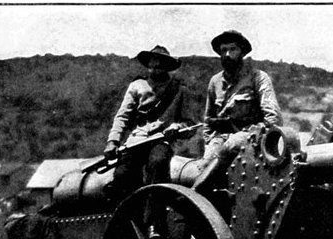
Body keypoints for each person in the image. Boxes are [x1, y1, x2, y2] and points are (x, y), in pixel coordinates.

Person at [104, 45, 191, 193]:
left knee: (157, 164)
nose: (155, 65)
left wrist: (177, 127)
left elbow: (189, 124)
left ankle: (155, 207)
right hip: (137, 140)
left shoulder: (179, 90)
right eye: (152, 61)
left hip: (162, 140)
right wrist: (113, 141)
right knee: (122, 174)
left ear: (167, 65)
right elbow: (122, 116)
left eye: (160, 61)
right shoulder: (136, 86)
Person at [202, 30, 283, 158]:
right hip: (220, 140)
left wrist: (259, 133)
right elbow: (208, 120)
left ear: (242, 52)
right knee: (205, 163)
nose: (227, 54)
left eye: (233, 49)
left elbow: (274, 117)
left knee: (231, 146)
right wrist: (209, 141)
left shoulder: (258, 77)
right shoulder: (215, 81)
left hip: (250, 139)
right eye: (223, 50)